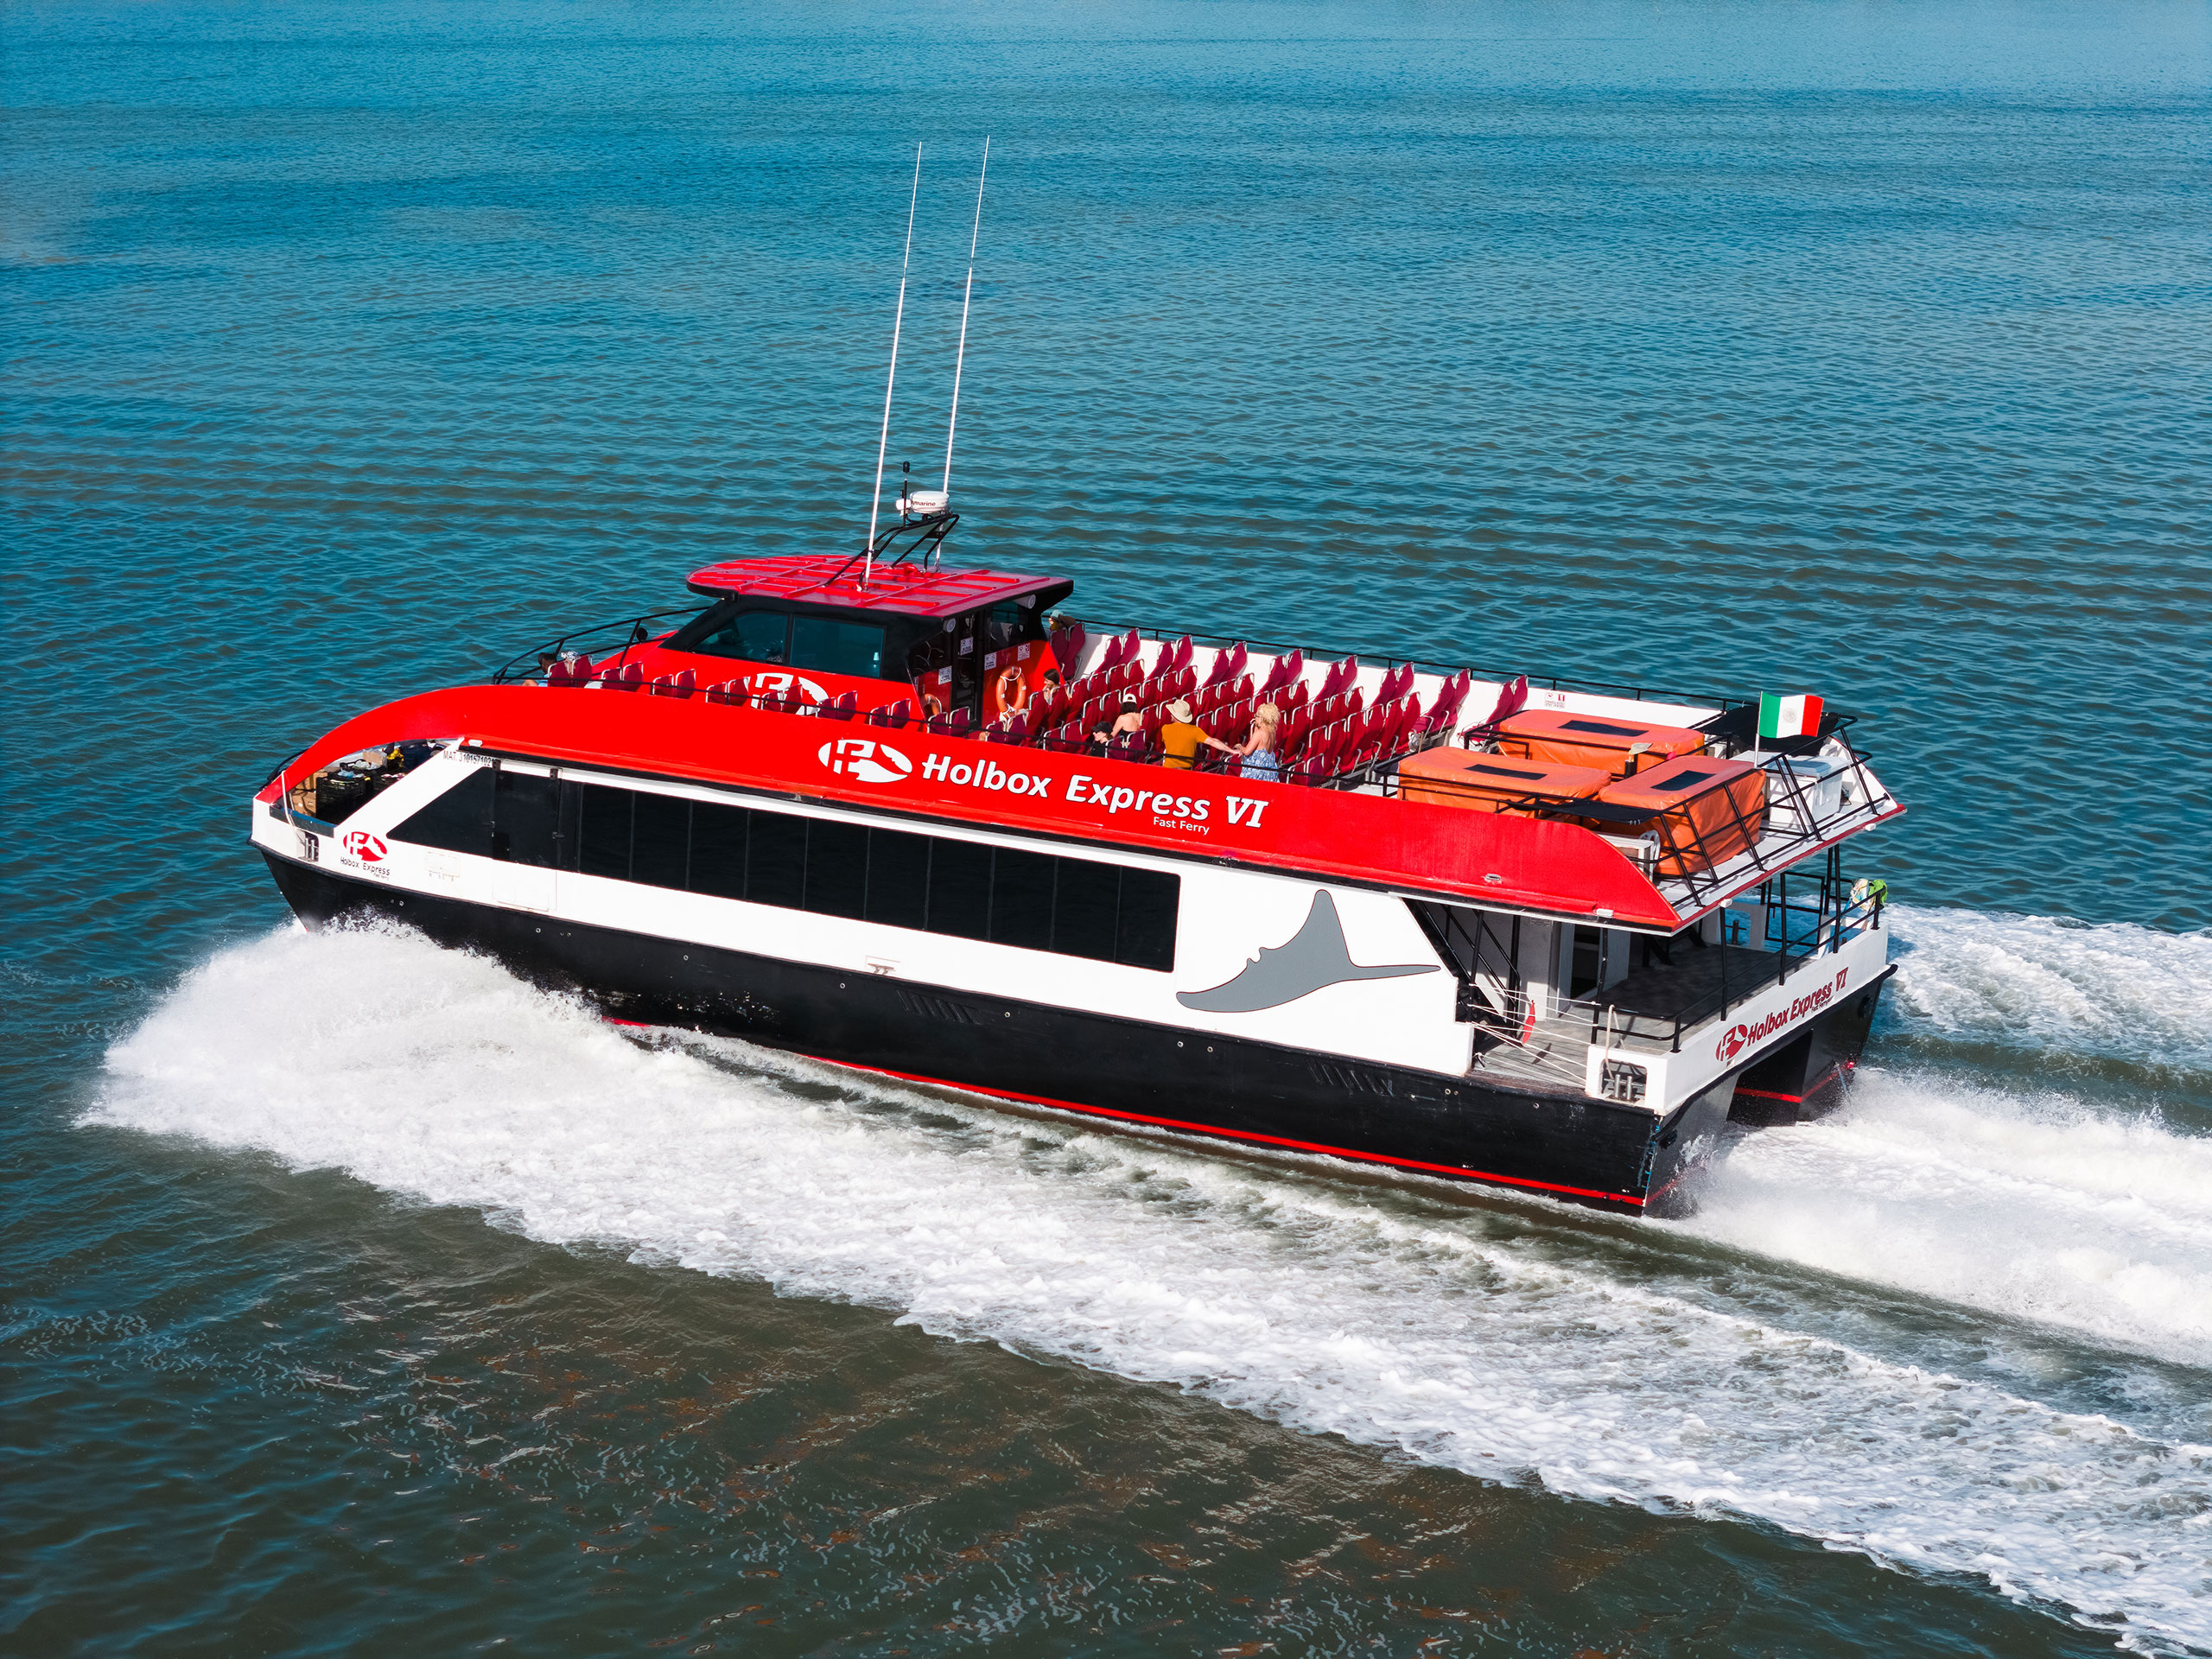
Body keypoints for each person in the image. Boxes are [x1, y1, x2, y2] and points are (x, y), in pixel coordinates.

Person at [1158, 698, 1237, 771]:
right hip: (1186, 770)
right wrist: (1231, 750)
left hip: (1168, 770)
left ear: (1175, 716)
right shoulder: (1195, 730)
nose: (1170, 715)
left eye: (1172, 713)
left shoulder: (1165, 729)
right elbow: (1213, 742)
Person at [1236, 703, 1282, 782]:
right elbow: (1258, 743)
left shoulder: (1259, 733)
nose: (1255, 718)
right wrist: (1257, 725)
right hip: (1269, 773)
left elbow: (1247, 751)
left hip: (1256, 774)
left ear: (1262, 718)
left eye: (1256, 716)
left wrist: (1239, 746)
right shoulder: (1272, 732)